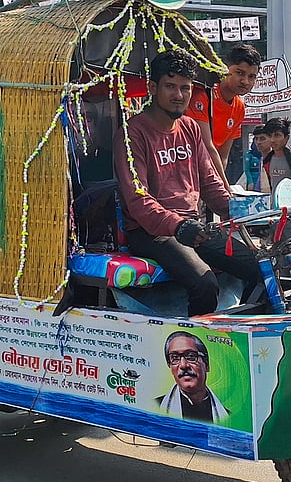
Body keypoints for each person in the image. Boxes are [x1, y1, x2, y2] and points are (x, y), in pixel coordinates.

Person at [113, 50, 262, 316]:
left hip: (192, 227)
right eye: (170, 87)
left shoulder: (191, 127)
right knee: (204, 284)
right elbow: (138, 200)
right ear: (153, 88)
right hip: (151, 232)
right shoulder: (132, 132)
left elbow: (210, 183)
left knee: (262, 266)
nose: (179, 95)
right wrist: (178, 225)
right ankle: (196, 346)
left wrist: (246, 212)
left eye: (185, 88)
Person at [186, 44, 260, 183]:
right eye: (239, 73)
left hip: (208, 177)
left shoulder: (239, 107)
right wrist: (224, 187)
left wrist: (218, 186)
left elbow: (223, 156)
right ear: (226, 69)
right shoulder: (204, 94)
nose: (245, 81)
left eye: (252, 76)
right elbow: (207, 146)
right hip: (187, 171)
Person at [155, 331, 228, 423]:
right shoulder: (156, 407)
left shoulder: (226, 416)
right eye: (175, 358)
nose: (183, 365)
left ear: (207, 365)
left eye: (190, 356)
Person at [244, 125, 270, 192]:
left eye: (262, 138)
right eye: (256, 138)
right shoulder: (259, 158)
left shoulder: (276, 160)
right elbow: (246, 170)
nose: (258, 142)